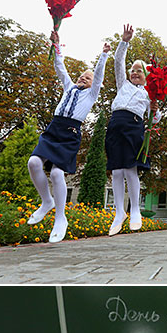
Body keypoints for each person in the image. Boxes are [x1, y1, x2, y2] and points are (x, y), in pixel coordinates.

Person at [27, 29, 109, 243]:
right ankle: (47, 202)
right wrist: (56, 45)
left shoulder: (91, 95)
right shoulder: (68, 88)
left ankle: (60, 217)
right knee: (33, 162)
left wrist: (103, 56)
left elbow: (99, 76)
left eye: (88, 77)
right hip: (54, 128)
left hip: (70, 133)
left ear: (93, 84)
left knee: (56, 175)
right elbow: (59, 66)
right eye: (82, 75)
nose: (83, 77)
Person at [105, 24, 159, 237]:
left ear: (146, 76)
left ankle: (134, 209)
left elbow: (154, 119)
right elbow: (118, 61)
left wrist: (154, 109)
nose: (136, 73)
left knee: (130, 169)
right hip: (115, 124)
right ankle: (119, 213)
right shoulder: (123, 85)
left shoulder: (148, 93)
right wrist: (124, 42)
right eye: (133, 70)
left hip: (134, 125)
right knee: (116, 170)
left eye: (140, 71)